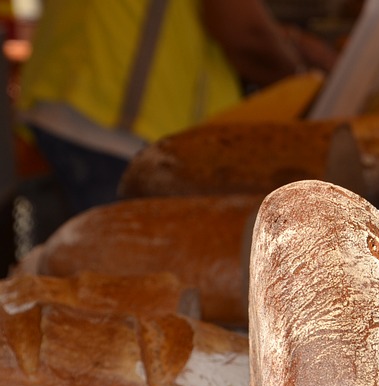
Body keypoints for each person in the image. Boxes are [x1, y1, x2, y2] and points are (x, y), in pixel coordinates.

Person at [15, 0, 337, 238]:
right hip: (114, 119)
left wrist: (291, 43)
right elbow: (243, 31)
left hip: (85, 99)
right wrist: (301, 79)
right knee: (122, 295)